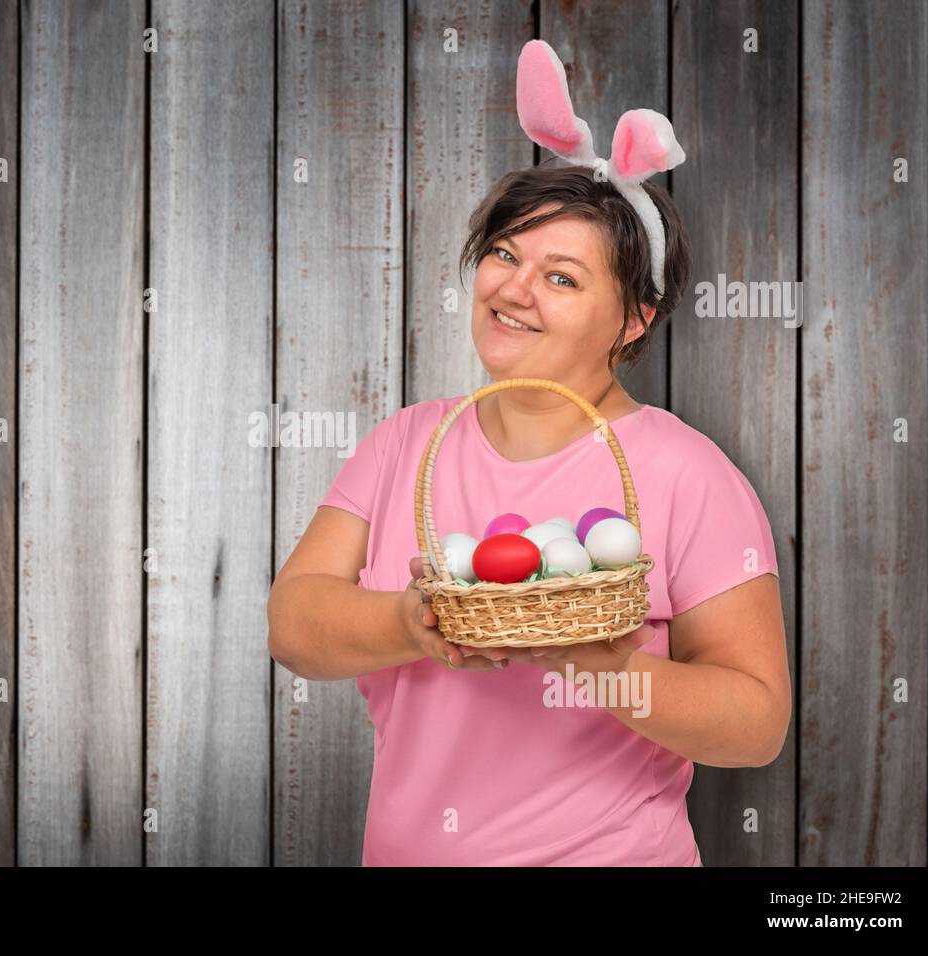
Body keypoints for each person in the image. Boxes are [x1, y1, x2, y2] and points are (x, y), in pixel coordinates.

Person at [266, 163, 792, 865]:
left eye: (562, 278)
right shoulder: (404, 445)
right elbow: (293, 624)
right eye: (506, 254)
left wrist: (598, 666)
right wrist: (409, 623)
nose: (514, 290)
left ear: (634, 317)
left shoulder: (686, 473)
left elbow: (757, 723)